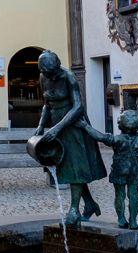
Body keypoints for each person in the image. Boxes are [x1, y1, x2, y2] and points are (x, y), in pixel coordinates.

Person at [34, 50, 107, 226]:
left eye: (52, 73)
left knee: (76, 167)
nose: (50, 77)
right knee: (69, 168)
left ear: (57, 67)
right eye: (46, 73)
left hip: (74, 125)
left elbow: (78, 108)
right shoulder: (44, 77)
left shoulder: (69, 77)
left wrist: (58, 127)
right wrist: (41, 126)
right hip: (57, 124)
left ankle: (74, 210)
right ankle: (89, 204)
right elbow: (46, 105)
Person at [80, 110, 138, 230]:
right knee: (133, 195)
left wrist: (85, 126)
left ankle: (121, 219)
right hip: (135, 171)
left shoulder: (117, 139)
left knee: (120, 195)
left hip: (120, 170)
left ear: (120, 125)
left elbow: (100, 137)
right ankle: (133, 221)